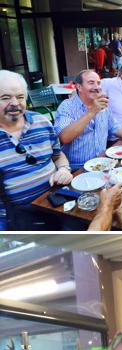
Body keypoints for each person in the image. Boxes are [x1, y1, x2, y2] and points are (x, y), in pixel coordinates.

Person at [0, 70, 74, 230]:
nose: (15, 103)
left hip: (58, 200)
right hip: (20, 216)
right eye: (5, 98)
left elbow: (58, 155)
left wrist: (63, 168)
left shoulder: (41, 122)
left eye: (20, 97)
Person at [54, 69, 122, 167]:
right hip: (76, 167)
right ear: (79, 87)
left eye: (98, 83)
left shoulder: (102, 103)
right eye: (91, 83)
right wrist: (92, 112)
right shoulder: (67, 106)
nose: (96, 87)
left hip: (102, 164)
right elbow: (64, 137)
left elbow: (114, 127)